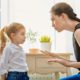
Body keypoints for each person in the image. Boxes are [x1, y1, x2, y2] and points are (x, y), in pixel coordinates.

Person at [47, 2, 80, 80]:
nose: (52, 24)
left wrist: (68, 63)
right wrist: (59, 58)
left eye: (53, 19)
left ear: (63, 16)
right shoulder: (76, 31)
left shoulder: (78, 31)